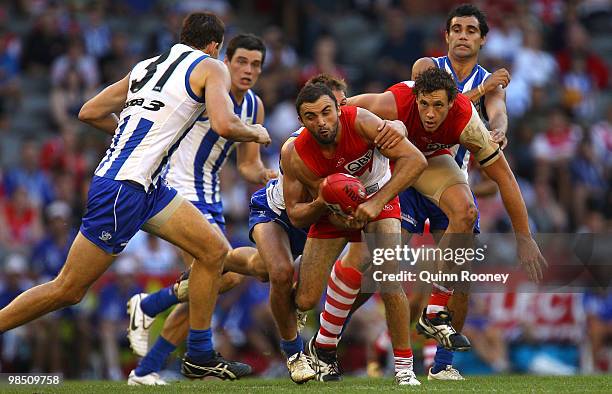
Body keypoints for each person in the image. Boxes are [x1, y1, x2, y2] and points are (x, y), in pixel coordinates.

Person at [0, 12, 270, 381]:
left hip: (149, 187)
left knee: (214, 252)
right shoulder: (211, 67)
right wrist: (253, 131)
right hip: (124, 189)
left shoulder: (147, 65)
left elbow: (89, 111)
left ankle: (199, 354)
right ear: (215, 46)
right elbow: (224, 125)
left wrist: (128, 136)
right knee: (69, 289)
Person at [342, 4, 513, 380]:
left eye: (472, 30)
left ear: (482, 39)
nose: (464, 35)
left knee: (460, 279)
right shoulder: (426, 67)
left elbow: (498, 113)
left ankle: (442, 366)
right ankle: (331, 334)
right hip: (408, 176)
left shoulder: (492, 83)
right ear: (447, 36)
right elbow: (434, 104)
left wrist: (499, 128)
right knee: (376, 272)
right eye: (457, 29)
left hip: (451, 186)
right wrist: (484, 90)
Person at [349, 65, 546, 357]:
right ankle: (330, 333)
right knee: (380, 267)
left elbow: (503, 178)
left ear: (453, 102)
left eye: (438, 106)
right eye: (424, 104)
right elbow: (343, 109)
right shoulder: (398, 97)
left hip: (437, 165)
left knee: (467, 218)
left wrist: (524, 237)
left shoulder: (467, 117)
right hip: (396, 165)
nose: (429, 114)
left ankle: (439, 334)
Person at [125, 33, 275, 385]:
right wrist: (254, 133)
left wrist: (267, 174)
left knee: (209, 286)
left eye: (256, 64)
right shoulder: (208, 86)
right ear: (225, 60)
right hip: (176, 191)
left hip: (211, 197)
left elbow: (247, 166)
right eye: (241, 61)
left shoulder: (253, 105)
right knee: (224, 274)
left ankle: (146, 365)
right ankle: (152, 313)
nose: (248, 70)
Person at [283, 83, 427, 385]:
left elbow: (416, 160)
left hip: (380, 196)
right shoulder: (293, 153)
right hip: (331, 211)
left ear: (339, 109)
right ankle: (316, 344)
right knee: (306, 299)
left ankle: (404, 369)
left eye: (326, 112)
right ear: (301, 122)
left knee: (389, 278)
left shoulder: (362, 121)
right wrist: (325, 203)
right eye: (311, 117)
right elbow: (296, 214)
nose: (321, 122)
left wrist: (376, 202)